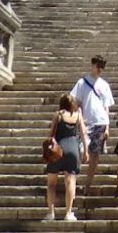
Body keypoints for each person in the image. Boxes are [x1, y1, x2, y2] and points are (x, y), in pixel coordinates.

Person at [70, 55, 115, 194]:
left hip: (100, 122)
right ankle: (73, 180)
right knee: (80, 151)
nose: (100, 69)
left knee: (95, 154)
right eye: (98, 65)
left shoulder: (104, 85)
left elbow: (106, 107)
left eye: (102, 66)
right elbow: (76, 102)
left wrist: (107, 127)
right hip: (85, 122)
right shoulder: (82, 83)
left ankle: (87, 185)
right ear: (93, 65)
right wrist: (79, 118)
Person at [43, 93, 83, 221]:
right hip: (73, 149)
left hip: (57, 149)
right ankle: (68, 212)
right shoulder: (77, 116)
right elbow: (83, 134)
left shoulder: (58, 115)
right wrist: (86, 151)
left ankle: (51, 213)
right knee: (70, 180)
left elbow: (50, 134)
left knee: (51, 184)